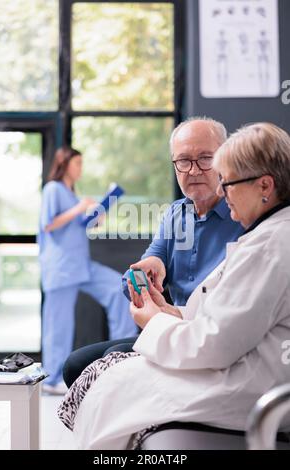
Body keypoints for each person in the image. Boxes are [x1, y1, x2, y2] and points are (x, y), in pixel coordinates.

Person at [58, 122, 290, 449]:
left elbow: (218, 337)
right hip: (189, 331)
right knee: (99, 373)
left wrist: (159, 320)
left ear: (264, 185)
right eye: (183, 161)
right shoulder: (180, 216)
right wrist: (159, 296)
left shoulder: (259, 237)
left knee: (112, 377)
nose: (221, 188)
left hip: (215, 354)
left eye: (210, 164)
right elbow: (147, 277)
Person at [63, 117, 243, 387]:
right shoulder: (175, 214)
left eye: (205, 158)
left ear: (224, 158)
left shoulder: (242, 215)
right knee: (75, 365)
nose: (193, 171)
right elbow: (131, 280)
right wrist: (149, 269)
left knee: (111, 361)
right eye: (183, 161)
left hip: (207, 334)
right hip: (170, 327)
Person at [38, 147, 138, 394]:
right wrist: (79, 207)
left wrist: (97, 215)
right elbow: (48, 224)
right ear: (64, 163)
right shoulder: (53, 189)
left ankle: (122, 356)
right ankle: (51, 380)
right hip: (61, 267)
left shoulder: (72, 194)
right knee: (58, 324)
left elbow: (80, 225)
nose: (80, 168)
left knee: (119, 289)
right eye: (77, 163)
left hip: (80, 265)